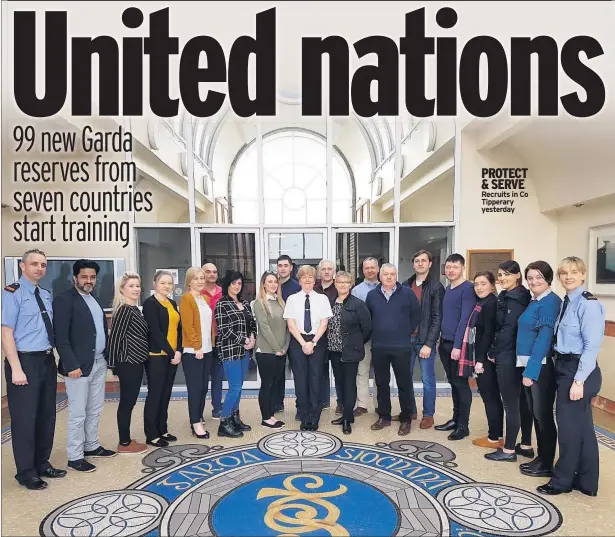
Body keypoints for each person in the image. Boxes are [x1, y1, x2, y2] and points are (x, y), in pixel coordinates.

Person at [538, 257, 605, 497]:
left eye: (574, 272)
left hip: (579, 372)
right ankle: (587, 482)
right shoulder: (568, 302)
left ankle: (561, 481)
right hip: (565, 368)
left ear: (583, 275)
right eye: (564, 273)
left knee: (568, 431)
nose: (568, 277)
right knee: (582, 430)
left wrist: (578, 381)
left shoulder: (588, 304)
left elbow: (591, 346)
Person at [1, 249, 67, 490]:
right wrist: (16, 368)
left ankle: (42, 463)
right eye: (35, 264)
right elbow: (6, 333)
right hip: (24, 361)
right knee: (25, 418)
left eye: (43, 265)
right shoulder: (12, 293)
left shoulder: (45, 294)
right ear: (22, 266)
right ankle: (26, 472)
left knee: (46, 415)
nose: (40, 268)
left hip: (46, 360)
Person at [53, 259, 115, 473]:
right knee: (78, 413)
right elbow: (60, 337)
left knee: (95, 409)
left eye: (92, 277)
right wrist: (71, 364)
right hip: (77, 367)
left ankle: (91, 446)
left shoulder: (93, 299)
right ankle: (75, 456)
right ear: (75, 278)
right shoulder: (64, 300)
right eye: (84, 277)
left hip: (97, 363)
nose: (89, 281)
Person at [485, 261, 533, 462]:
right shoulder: (512, 295)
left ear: (517, 275)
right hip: (517, 354)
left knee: (511, 402)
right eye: (500, 275)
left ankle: (509, 450)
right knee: (521, 401)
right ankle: (526, 444)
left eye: (506, 274)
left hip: (508, 355)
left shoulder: (515, 299)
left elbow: (507, 330)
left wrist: (493, 351)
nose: (502, 278)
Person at [517, 261, 561, 477]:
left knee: (543, 416)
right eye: (530, 278)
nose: (534, 281)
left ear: (548, 279)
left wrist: (530, 371)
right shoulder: (535, 301)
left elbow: (544, 338)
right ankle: (541, 458)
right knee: (536, 415)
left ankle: (546, 463)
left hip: (540, 368)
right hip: (528, 365)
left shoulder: (550, 302)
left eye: (539, 278)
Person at [366, 263, 421, 436]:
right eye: (386, 274)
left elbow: (416, 315)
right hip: (379, 347)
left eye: (392, 274)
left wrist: (406, 331)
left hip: (402, 346)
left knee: (404, 383)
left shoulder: (407, 293)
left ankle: (405, 418)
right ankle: (384, 416)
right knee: (381, 384)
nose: (389, 277)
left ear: (396, 275)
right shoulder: (372, 295)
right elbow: (368, 319)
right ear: (380, 276)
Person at [284, 265, 333, 431]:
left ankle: (314, 415)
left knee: (315, 378)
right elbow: (291, 325)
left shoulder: (322, 299)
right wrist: (303, 343)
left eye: (310, 277)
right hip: (298, 342)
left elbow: (324, 323)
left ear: (315, 280)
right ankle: (304, 416)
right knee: (301, 379)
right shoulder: (292, 299)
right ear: (299, 280)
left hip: (317, 341)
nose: (307, 280)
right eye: (304, 277)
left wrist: (312, 342)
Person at [106, 272, 149, 455]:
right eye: (131, 286)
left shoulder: (134, 309)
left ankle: (126, 438)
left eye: (138, 286)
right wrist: (113, 365)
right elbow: (115, 338)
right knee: (127, 402)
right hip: (127, 362)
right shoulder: (124, 310)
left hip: (136, 361)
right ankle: (124, 442)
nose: (136, 289)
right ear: (122, 289)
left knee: (130, 402)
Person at [435, 254, 476, 440]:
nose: (451, 270)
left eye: (455, 267)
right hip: (445, 342)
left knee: (461, 384)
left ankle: (463, 425)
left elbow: (465, 320)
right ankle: (455, 418)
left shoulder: (467, 289)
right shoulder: (448, 289)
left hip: (457, 345)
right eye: (448, 267)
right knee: (453, 383)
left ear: (463, 268)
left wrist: (458, 346)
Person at [403, 250, 444, 429]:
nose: (420, 263)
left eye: (423, 260)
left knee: (428, 379)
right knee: (406, 378)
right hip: (407, 340)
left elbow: (437, 317)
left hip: (424, 340)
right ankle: (411, 410)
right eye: (417, 260)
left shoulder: (436, 287)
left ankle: (428, 415)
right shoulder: (405, 285)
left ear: (430, 264)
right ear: (413, 264)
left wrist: (429, 343)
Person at [142, 271, 183, 447]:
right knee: (155, 394)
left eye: (169, 283)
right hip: (157, 356)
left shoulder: (173, 303)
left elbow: (179, 329)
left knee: (166, 393)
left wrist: (179, 350)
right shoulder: (150, 304)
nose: (167, 286)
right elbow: (155, 332)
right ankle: (151, 434)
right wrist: (171, 352)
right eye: (163, 283)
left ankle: (162, 429)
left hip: (173, 355)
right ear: (154, 283)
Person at [328, 271, 372, 435]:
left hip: (350, 351)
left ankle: (347, 419)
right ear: (335, 283)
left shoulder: (358, 304)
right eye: (340, 282)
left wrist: (356, 344)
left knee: (349, 384)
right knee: (340, 383)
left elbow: (367, 329)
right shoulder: (331, 303)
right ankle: (347, 414)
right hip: (333, 350)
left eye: (346, 282)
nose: (342, 285)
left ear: (351, 284)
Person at [214, 271, 257, 438]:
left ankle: (234, 418)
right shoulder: (221, 304)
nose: (236, 286)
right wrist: (244, 339)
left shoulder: (245, 303)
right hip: (230, 350)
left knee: (238, 388)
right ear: (227, 285)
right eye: (233, 283)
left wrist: (252, 337)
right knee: (234, 387)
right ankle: (224, 423)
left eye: (239, 284)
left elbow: (252, 323)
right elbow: (225, 330)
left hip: (245, 351)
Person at [179, 267, 215, 439]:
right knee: (194, 389)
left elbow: (210, 325)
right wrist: (197, 346)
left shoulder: (206, 299)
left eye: (202, 278)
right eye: (196, 278)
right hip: (193, 351)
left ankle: (198, 416)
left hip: (207, 349)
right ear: (189, 281)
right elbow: (188, 325)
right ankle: (195, 423)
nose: (200, 281)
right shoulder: (186, 299)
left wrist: (211, 345)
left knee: (203, 388)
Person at [470, 272, 504, 450]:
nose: (479, 287)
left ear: (492, 285)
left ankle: (493, 438)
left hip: (485, 359)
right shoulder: (483, 302)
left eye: (483, 283)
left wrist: (480, 360)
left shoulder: (490, 304)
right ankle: (497, 434)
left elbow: (487, 334)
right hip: (483, 355)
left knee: (490, 398)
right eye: (476, 284)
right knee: (492, 398)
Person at [253, 271, 289, 429]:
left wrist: (284, 348)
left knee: (275, 384)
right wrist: (276, 349)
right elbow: (265, 328)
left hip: (281, 351)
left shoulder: (281, 302)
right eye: (270, 282)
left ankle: (271, 414)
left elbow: (288, 326)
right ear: (263, 284)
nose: (273, 284)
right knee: (267, 384)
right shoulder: (260, 303)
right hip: (266, 351)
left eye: (275, 282)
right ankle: (265, 417)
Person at [351, 256, 380, 416]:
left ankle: (379, 404)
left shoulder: (386, 287)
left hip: (382, 338)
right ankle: (362, 405)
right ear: (363, 271)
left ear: (377, 269)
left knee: (379, 373)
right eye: (366, 268)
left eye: (372, 267)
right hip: (364, 339)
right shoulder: (357, 290)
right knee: (362, 371)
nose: (369, 270)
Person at [274, 255, 301, 413]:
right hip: (278, 335)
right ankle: (278, 403)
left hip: (295, 335)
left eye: (286, 265)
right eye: (280, 265)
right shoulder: (272, 285)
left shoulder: (296, 287)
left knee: (298, 372)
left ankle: (300, 405)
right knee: (279, 373)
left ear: (291, 268)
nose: (282, 268)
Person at [314, 259, 341, 413]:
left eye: (329, 269)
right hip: (318, 336)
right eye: (323, 269)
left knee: (338, 372)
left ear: (334, 272)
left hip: (336, 337)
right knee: (320, 370)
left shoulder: (338, 288)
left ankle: (340, 402)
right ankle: (321, 401)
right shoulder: (313, 288)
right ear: (319, 271)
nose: (326, 272)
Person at [202, 262, 224, 420]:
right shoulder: (196, 292)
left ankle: (217, 407)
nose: (211, 274)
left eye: (214, 272)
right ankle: (198, 412)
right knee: (201, 379)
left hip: (219, 339)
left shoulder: (222, 292)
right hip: (202, 341)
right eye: (208, 272)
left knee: (218, 376)